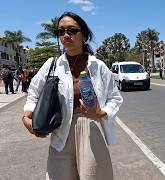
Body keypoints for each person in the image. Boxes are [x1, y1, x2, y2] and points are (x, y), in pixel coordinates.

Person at [22, 12, 123, 180]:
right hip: (61, 130)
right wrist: (27, 116)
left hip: (91, 129)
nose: (65, 35)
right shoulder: (52, 65)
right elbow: (33, 93)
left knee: (94, 176)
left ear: (84, 35)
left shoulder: (98, 66)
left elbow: (115, 97)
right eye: (61, 31)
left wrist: (101, 113)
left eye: (71, 30)